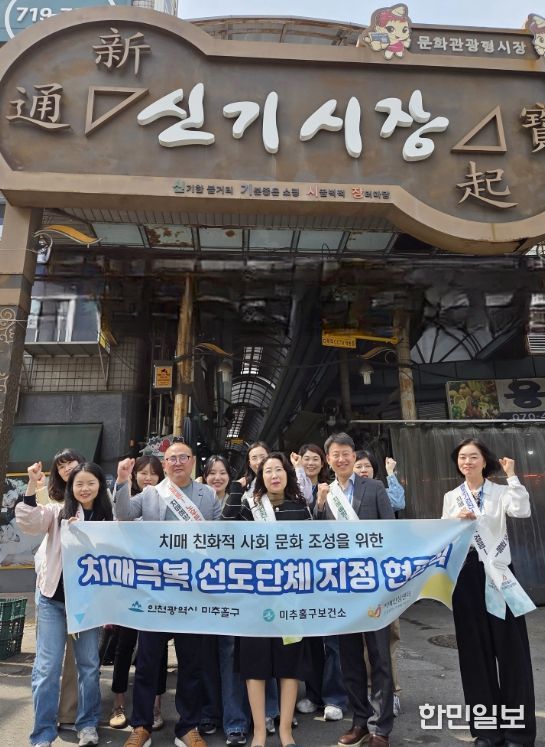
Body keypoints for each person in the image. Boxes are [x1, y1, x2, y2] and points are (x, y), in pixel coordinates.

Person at [115, 439, 221, 747]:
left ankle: (188, 727)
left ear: (193, 461)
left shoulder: (207, 495)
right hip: (156, 591)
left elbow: (219, 539)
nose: (177, 463)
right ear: (164, 464)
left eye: (183, 457)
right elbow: (123, 515)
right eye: (171, 458)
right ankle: (141, 726)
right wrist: (122, 482)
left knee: (191, 663)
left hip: (192, 592)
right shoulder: (151, 493)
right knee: (148, 661)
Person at [442, 438, 536, 747]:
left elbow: (521, 511)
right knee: (474, 656)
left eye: (473, 457)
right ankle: (487, 732)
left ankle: (518, 734)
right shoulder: (451, 497)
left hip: (499, 573)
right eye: (462, 457)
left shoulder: (500, 491)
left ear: (485, 461)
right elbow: (443, 536)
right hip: (466, 575)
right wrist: (455, 522)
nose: (467, 462)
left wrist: (512, 477)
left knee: (512, 654)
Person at [16, 461, 113, 747]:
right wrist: (32, 484)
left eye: (91, 483)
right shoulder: (58, 511)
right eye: (78, 483)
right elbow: (29, 520)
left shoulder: (108, 518)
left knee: (89, 666)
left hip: (88, 604)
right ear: (70, 487)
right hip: (52, 601)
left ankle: (87, 725)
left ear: (100, 486)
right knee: (47, 668)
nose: (85, 488)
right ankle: (42, 732)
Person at [314, 433, 395, 747]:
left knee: (379, 657)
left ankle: (380, 728)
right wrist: (320, 504)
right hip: (340, 587)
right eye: (335, 454)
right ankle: (360, 721)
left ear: (353, 455)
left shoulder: (373, 488)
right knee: (349, 658)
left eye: (346, 453)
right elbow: (315, 540)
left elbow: (390, 532)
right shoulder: (325, 492)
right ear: (328, 459)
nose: (341, 458)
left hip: (372, 584)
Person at [232, 452, 311, 747]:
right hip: (254, 599)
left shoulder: (300, 509)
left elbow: (312, 553)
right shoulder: (249, 508)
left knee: (289, 666)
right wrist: (236, 490)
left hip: (290, 599)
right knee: (254, 666)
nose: (274, 475)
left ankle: (286, 731)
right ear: (260, 477)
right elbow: (226, 530)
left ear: (288, 474)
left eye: (279, 469)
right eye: (268, 471)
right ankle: (260, 733)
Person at [109, 455, 167, 732]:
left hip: (160, 586)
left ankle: (156, 706)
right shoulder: (131, 501)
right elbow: (121, 516)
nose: (148, 477)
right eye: (143, 472)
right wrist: (121, 480)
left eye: (153, 473)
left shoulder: (166, 500)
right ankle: (119, 703)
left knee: (158, 649)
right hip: (130, 584)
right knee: (124, 645)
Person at [292, 444, 348, 724]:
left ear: (323, 463)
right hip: (303, 575)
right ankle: (313, 694)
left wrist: (322, 501)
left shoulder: (333, 489)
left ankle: (335, 697)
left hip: (331, 573)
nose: (311, 463)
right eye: (306, 459)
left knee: (333, 639)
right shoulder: (293, 490)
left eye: (315, 459)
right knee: (310, 639)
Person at [200, 455, 249, 746]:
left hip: (232, 590)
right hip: (200, 590)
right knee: (205, 654)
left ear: (230, 477)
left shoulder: (240, 504)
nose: (217, 477)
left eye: (222, 473)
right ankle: (209, 712)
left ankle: (235, 722)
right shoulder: (194, 503)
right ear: (204, 476)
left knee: (230, 656)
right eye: (212, 473)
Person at [36, 448, 86, 733]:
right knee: (48, 661)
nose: (67, 469)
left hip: (82, 592)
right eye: (61, 466)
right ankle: (44, 723)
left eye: (71, 463)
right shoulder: (51, 498)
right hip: (51, 586)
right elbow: (34, 521)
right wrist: (34, 487)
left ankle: (68, 714)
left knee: (76, 661)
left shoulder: (95, 496)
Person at [353, 449, 404, 716]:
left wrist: (391, 474)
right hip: (352, 578)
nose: (363, 470)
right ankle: (366, 692)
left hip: (381, 576)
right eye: (358, 466)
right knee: (359, 642)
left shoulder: (378, 490)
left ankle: (390, 691)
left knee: (387, 638)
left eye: (367, 466)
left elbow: (398, 503)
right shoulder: (340, 494)